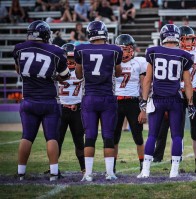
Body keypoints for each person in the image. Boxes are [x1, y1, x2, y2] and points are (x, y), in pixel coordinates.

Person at [13, 20, 70, 181]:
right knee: (51, 137)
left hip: (28, 99)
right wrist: (53, 76)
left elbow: (19, 70)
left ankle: (21, 173)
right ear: (45, 34)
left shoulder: (19, 49)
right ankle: (53, 173)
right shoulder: (56, 51)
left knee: (27, 136)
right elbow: (65, 76)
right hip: (48, 101)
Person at [137, 24, 196, 178]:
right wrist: (190, 103)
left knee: (152, 135)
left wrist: (144, 100)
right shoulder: (184, 55)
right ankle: (174, 171)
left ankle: (145, 171)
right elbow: (188, 83)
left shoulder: (153, 52)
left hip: (157, 99)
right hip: (175, 99)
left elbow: (147, 80)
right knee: (176, 135)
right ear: (177, 36)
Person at [152, 26, 196, 174]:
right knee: (177, 131)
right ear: (179, 40)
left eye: (191, 38)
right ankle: (175, 162)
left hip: (194, 92)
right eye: (187, 38)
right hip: (176, 94)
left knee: (195, 131)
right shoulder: (175, 53)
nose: (190, 41)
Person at [75, 20, 123, 181]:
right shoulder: (115, 50)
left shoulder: (81, 49)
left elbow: (79, 75)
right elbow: (118, 73)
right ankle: (109, 173)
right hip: (107, 97)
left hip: (89, 97)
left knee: (89, 136)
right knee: (108, 136)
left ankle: (88, 174)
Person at [113, 34, 147, 173]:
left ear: (132, 50)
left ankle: (143, 166)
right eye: (121, 50)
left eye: (126, 49)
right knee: (114, 138)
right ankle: (112, 167)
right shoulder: (112, 62)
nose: (124, 53)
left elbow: (145, 85)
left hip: (133, 102)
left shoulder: (139, 62)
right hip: (115, 102)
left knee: (138, 137)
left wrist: (143, 108)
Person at [58, 43, 86, 174]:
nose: (70, 61)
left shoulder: (82, 70)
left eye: (72, 59)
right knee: (57, 140)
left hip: (77, 109)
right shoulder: (56, 69)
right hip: (61, 109)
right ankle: (54, 167)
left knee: (79, 142)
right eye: (67, 59)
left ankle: (83, 167)